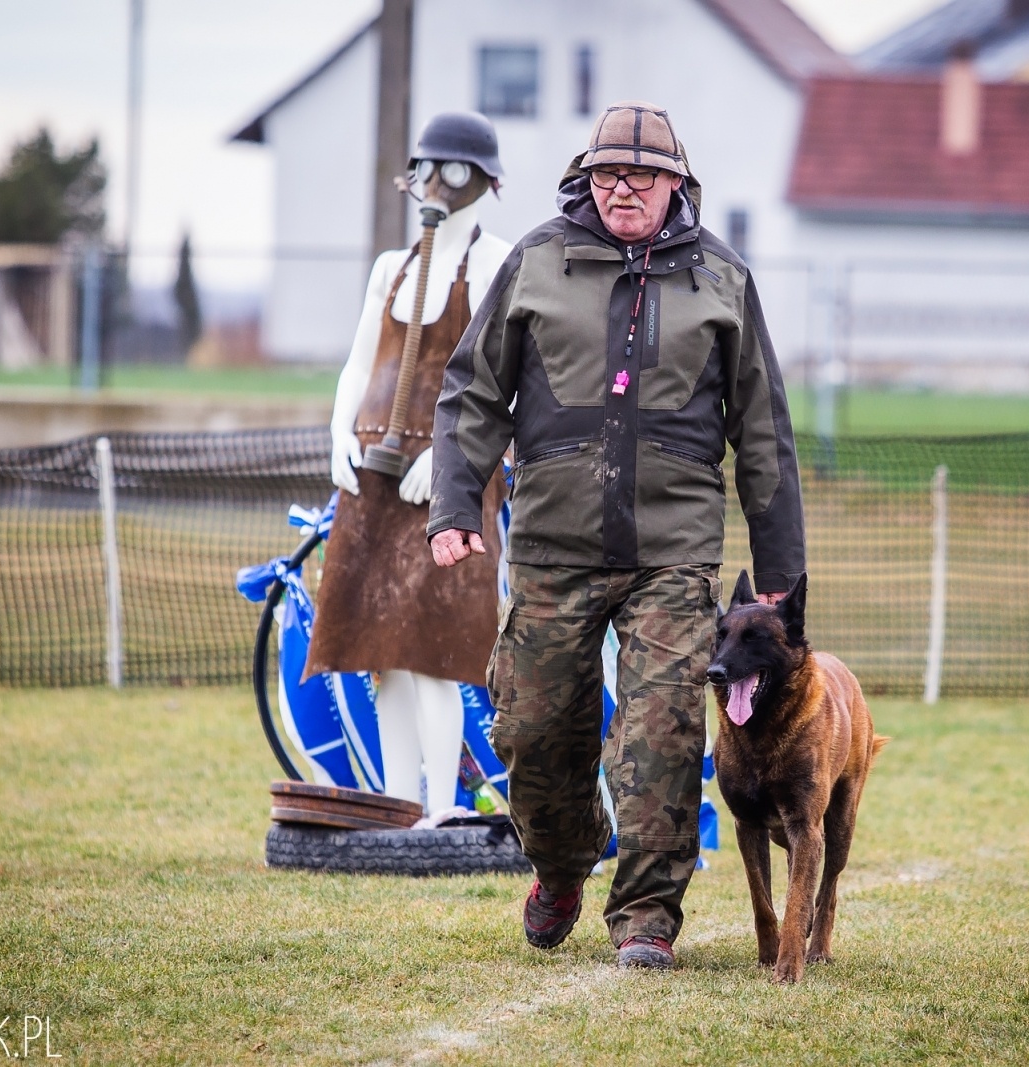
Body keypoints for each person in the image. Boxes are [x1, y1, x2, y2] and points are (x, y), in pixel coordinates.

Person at [428, 101, 805, 970]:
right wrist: (454, 506)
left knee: (663, 731)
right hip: (553, 545)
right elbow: (473, 394)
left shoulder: (722, 278)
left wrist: (780, 572)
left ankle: (645, 916)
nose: (622, 189)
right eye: (605, 174)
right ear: (583, 178)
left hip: (675, 553)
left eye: (640, 175)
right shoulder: (535, 261)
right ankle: (561, 867)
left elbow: (763, 432)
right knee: (530, 728)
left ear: (677, 184)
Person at [304, 112, 513, 816]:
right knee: (383, 650)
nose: (437, 186)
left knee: (435, 650)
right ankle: (399, 803)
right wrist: (341, 430)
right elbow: (361, 362)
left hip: (448, 478)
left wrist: (459, 460)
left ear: (481, 181)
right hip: (377, 468)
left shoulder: (495, 263)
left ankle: (442, 804)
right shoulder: (393, 268)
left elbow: (503, 381)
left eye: (452, 172)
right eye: (427, 169)